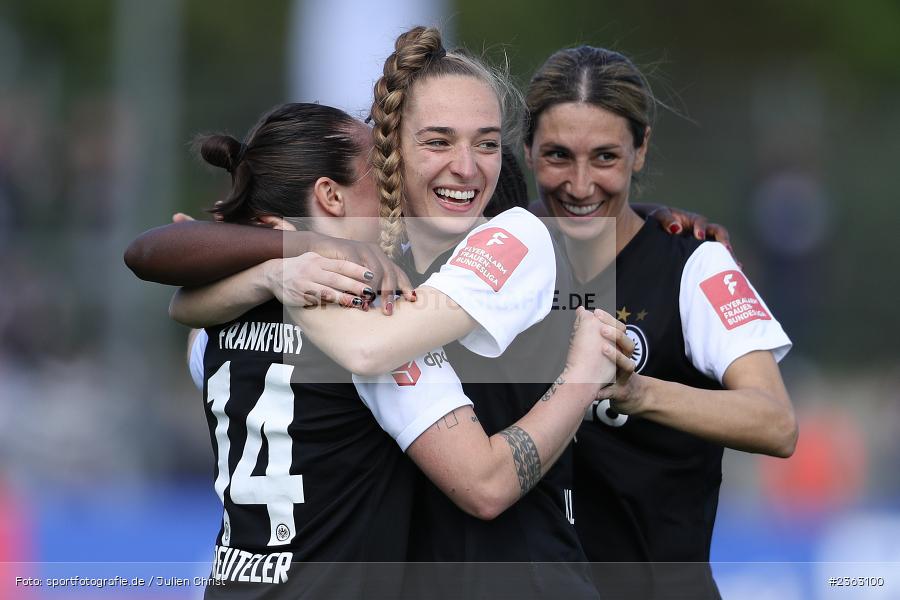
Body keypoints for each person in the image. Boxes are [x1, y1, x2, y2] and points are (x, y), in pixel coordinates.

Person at [142, 100, 632, 599]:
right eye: (380, 173)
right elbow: (486, 482)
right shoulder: (369, 323)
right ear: (331, 196)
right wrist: (580, 378)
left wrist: (261, 266)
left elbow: (183, 307)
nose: (397, 190)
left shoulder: (218, 321)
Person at [522, 45, 798, 599]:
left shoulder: (696, 263)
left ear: (641, 150)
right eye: (558, 155)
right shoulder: (494, 262)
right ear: (527, 149)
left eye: (605, 157)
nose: (580, 185)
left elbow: (776, 423)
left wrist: (638, 392)